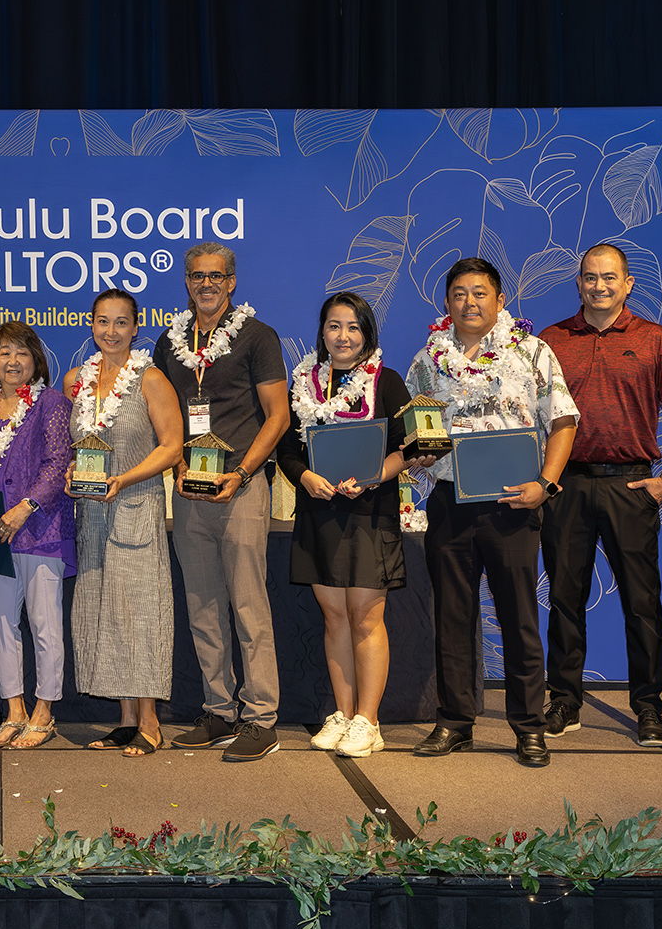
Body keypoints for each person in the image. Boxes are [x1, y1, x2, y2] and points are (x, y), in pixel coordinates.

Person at [405, 256, 578, 768]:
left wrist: (545, 484)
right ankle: (455, 721)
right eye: (459, 293)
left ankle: (528, 727)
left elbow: (563, 419)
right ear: (446, 303)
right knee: (452, 617)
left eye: (480, 292)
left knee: (519, 617)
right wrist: (420, 449)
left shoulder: (532, 352)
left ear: (500, 300)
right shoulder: (428, 360)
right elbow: (419, 428)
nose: (469, 302)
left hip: (514, 503)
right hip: (451, 501)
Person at [539, 243, 662, 748]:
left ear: (628, 283)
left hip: (632, 484)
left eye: (610, 277)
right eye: (590, 277)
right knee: (565, 599)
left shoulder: (655, 340)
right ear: (578, 282)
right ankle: (564, 701)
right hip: (566, 485)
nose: (599, 286)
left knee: (641, 602)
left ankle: (648, 707)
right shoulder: (550, 341)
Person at [151, 242, 290, 762]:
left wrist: (243, 473)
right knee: (203, 606)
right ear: (185, 282)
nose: (205, 284)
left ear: (232, 282)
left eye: (216, 276)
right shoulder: (170, 341)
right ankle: (219, 710)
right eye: (195, 276)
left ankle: (261, 718)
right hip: (190, 489)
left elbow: (277, 417)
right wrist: (180, 467)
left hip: (243, 488)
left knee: (248, 604)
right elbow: (165, 417)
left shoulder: (259, 336)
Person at [277, 292, 410, 759]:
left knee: (366, 618)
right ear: (322, 332)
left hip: (370, 514)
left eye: (353, 327)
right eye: (334, 326)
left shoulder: (388, 383)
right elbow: (288, 451)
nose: (343, 336)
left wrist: (374, 476)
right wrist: (305, 477)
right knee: (334, 617)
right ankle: (344, 711)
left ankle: (368, 721)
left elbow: (409, 446)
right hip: (319, 511)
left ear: (367, 333)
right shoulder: (303, 384)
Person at [64, 289, 183, 757]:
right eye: (102, 321)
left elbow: (172, 447)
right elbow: (69, 448)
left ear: (135, 328)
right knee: (100, 611)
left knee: (140, 612)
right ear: (90, 326)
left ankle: (150, 721)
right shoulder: (76, 380)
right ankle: (125, 719)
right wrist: (74, 475)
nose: (110, 331)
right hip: (90, 513)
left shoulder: (150, 379)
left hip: (136, 504)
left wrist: (122, 478)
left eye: (120, 322)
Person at [0, 321, 74, 750]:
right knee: (0, 623)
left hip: (39, 529)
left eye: (22, 353)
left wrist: (25, 507)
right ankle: (14, 710)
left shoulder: (51, 404)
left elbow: (57, 462)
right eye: (4, 353)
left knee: (45, 624)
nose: (13, 361)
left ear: (36, 362)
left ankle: (44, 712)